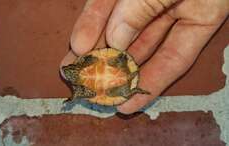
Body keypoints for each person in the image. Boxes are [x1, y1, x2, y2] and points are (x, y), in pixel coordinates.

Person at [61, 0, 229, 114]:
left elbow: (97, 58)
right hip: (117, 81)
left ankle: (129, 81)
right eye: (71, 71)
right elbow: (84, 88)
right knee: (115, 81)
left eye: (71, 70)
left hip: (117, 69)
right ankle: (131, 86)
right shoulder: (82, 86)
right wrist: (73, 96)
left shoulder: (85, 65)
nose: (71, 71)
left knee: (99, 49)